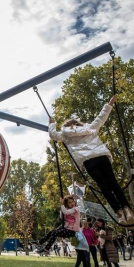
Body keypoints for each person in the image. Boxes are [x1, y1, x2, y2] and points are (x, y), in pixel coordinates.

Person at [49, 96, 134, 226]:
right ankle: (127, 209)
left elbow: (53, 135)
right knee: (113, 183)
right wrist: (109, 104)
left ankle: (119, 212)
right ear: (78, 123)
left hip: (89, 162)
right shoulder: (89, 128)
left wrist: (52, 124)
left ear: (66, 126)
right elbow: (101, 117)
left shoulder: (65, 135)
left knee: (104, 187)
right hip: (101, 156)